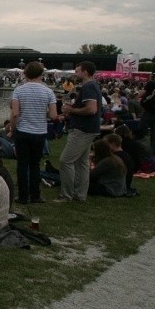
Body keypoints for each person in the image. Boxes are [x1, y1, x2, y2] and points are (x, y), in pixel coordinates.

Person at [10, 61, 57, 204]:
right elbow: (53, 116)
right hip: (39, 131)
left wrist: (12, 129)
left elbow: (15, 113)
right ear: (41, 74)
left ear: (26, 74)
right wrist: (42, 111)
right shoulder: (48, 92)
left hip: (23, 131)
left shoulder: (19, 90)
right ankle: (35, 195)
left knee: (22, 165)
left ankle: (23, 196)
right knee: (35, 164)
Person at [56, 61, 102, 203]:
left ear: (85, 72)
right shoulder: (92, 86)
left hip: (82, 129)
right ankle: (80, 194)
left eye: (77, 71)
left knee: (65, 161)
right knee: (82, 163)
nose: (75, 74)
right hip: (89, 128)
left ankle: (66, 194)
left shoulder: (88, 86)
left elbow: (91, 109)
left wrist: (72, 110)